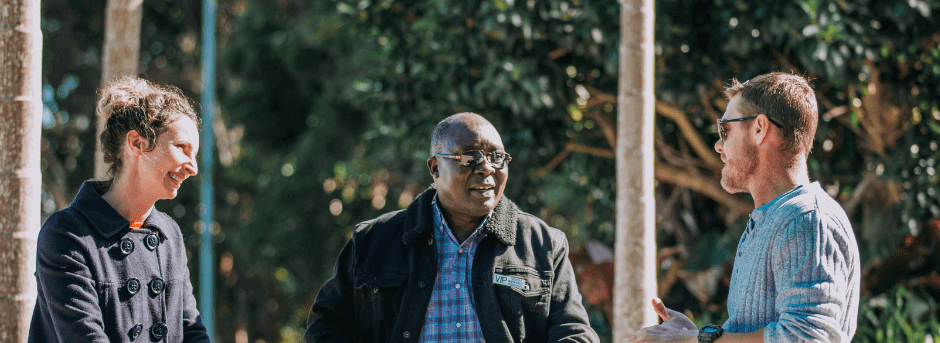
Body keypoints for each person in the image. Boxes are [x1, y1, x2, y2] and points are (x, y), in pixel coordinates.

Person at [305, 113, 598, 342]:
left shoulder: (544, 245)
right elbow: (326, 326)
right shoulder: (373, 241)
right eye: (469, 157)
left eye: (497, 157)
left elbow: (573, 332)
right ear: (435, 168)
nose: (486, 168)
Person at [630, 72, 860, 343]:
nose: (718, 145)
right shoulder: (776, 218)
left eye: (725, 130)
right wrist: (694, 335)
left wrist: (697, 342)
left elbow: (806, 337)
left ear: (760, 129)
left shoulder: (807, 219)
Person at [29, 76, 210, 342]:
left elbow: (192, 333)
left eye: (194, 154)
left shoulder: (169, 234)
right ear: (137, 143)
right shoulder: (66, 234)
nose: (192, 167)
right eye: (182, 148)